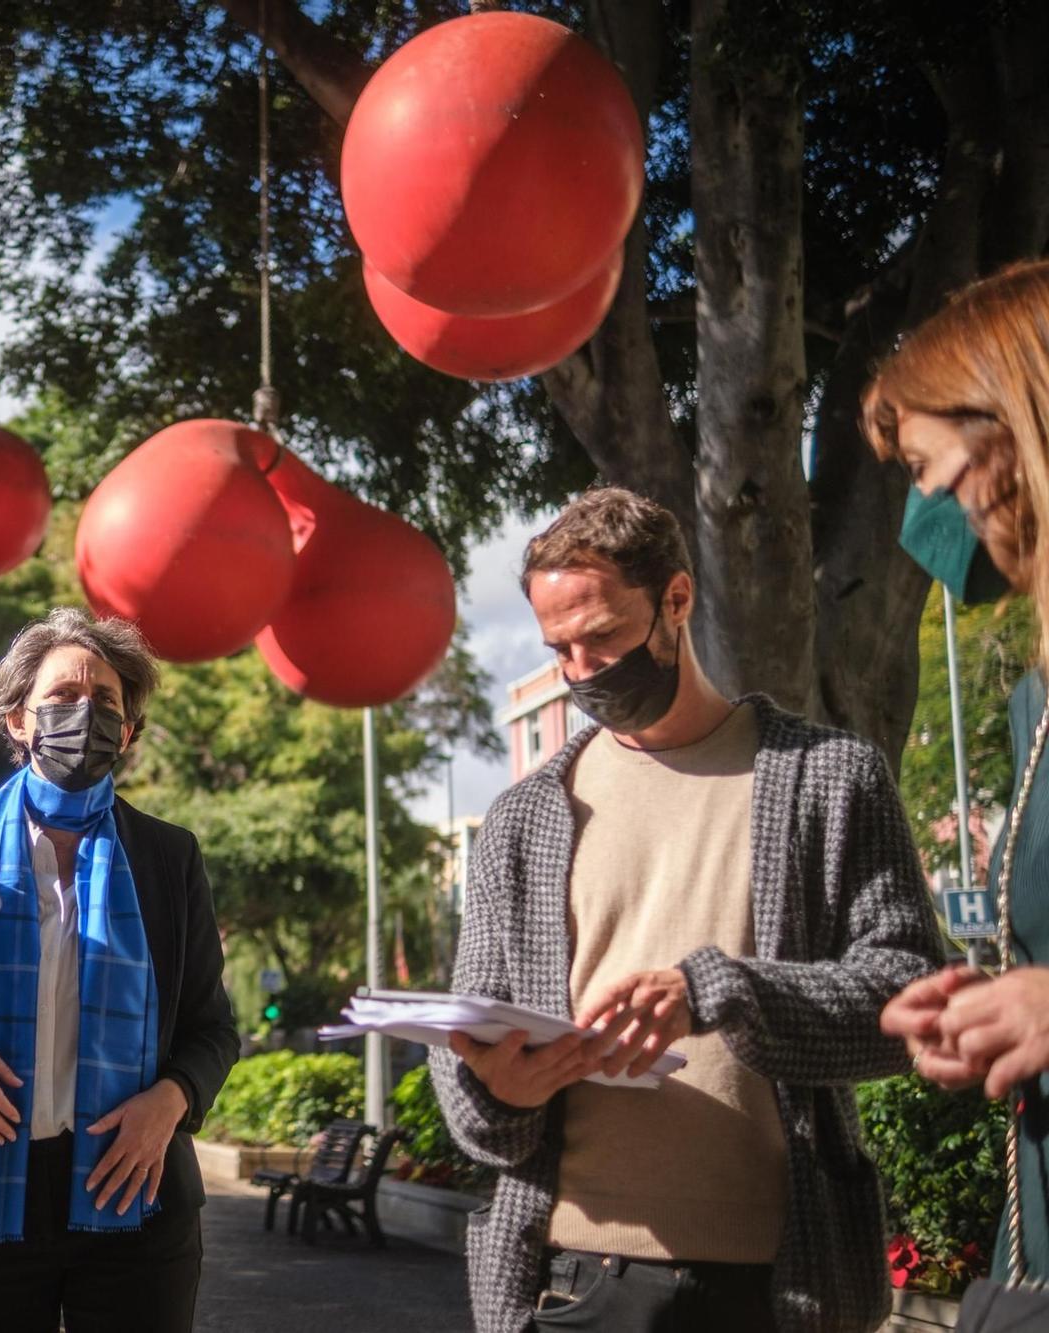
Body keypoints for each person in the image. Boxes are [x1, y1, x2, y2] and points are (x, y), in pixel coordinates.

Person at [428, 487, 942, 1333]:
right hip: (572, 1277)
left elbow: (911, 999)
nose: (583, 670)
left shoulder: (830, 778)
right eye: (561, 650)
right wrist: (498, 1093)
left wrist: (717, 990)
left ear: (677, 598)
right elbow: (467, 1067)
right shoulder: (520, 823)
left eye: (603, 636)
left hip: (781, 1285)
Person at [0, 607, 240, 1333]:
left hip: (134, 1187)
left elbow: (212, 1029)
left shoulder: (167, 857)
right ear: (18, 719)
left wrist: (169, 1101)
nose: (87, 714)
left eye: (107, 702)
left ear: (129, 731)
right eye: (65, 697)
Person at [870, 258, 1049, 1280]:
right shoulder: (1033, 688)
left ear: (1014, 432)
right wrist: (992, 1006)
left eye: (927, 468)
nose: (930, 510)